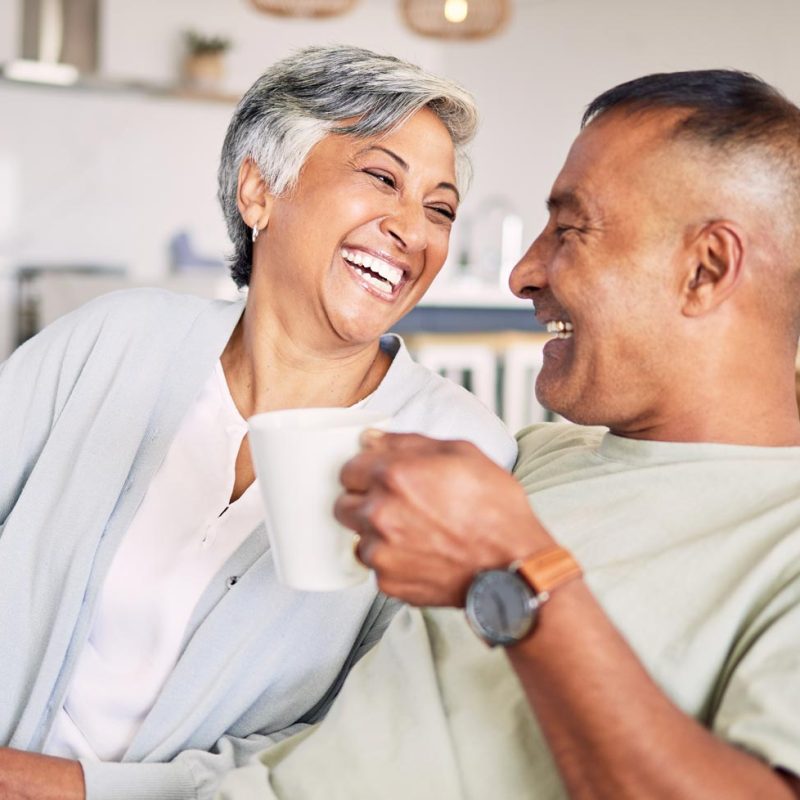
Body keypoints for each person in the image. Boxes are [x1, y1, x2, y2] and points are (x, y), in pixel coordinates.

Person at [217, 69, 800, 799]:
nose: (522, 274)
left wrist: (526, 576)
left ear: (705, 270)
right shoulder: (521, 461)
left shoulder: (781, 539)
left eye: (570, 228)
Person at [0, 46, 516, 800]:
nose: (414, 231)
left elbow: (374, 740)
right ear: (258, 190)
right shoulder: (114, 339)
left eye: (439, 208)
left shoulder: (457, 446)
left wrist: (66, 788)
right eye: (381, 177)